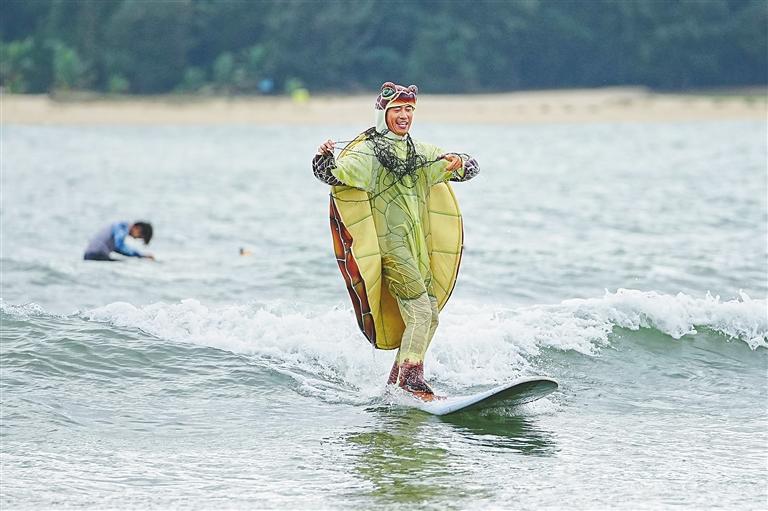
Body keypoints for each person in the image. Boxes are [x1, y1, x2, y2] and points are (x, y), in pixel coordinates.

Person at [312, 82, 479, 399]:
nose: (404, 116)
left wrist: (460, 159)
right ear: (384, 113)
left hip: (419, 250)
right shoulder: (368, 155)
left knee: (431, 315)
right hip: (392, 252)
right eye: (397, 110)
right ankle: (413, 382)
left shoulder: (420, 153)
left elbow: (468, 169)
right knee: (419, 313)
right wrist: (322, 157)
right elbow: (332, 174)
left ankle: (395, 381)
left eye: (409, 110)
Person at [83, 221, 154, 261]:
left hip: (90, 255)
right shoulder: (121, 228)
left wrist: (140, 255)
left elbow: (117, 248)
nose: (135, 238)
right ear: (137, 228)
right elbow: (119, 246)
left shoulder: (118, 227)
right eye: (139, 236)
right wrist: (140, 255)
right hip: (97, 254)